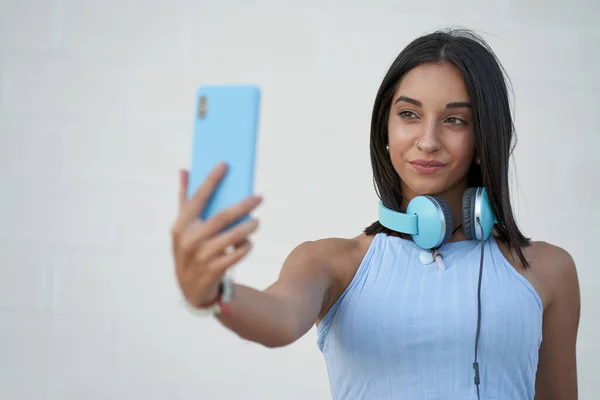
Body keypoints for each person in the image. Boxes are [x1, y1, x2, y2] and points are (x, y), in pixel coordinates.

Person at [170, 28, 580, 400]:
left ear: (484, 137)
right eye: (409, 114)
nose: (428, 140)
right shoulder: (333, 262)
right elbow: (278, 317)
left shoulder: (548, 270)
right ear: (385, 129)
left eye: (455, 120)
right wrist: (213, 293)